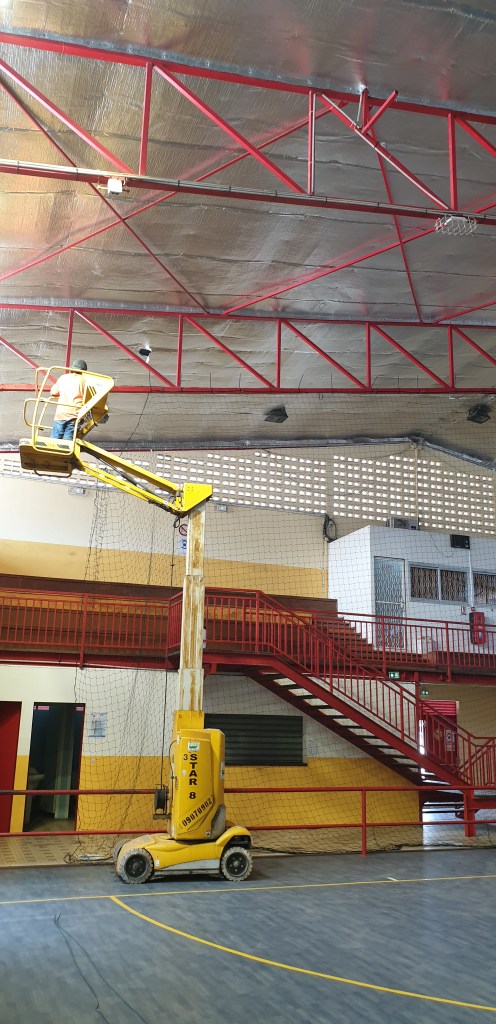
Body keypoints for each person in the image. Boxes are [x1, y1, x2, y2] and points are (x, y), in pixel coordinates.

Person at [50, 358, 88, 440]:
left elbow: (53, 392)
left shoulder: (63, 378)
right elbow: (88, 398)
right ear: (84, 371)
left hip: (61, 413)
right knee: (68, 441)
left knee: (54, 441)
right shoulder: (85, 380)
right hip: (75, 414)